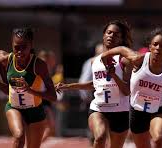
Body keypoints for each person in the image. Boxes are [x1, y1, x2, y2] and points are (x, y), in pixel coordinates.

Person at [55, 20, 133, 148]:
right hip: (99, 108)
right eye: (109, 32)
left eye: (116, 34)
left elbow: (126, 91)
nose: (111, 36)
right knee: (100, 137)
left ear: (121, 39)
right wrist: (68, 86)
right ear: (103, 35)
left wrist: (113, 74)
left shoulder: (124, 60)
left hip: (120, 110)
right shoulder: (94, 61)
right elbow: (95, 84)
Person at [0, 27, 57, 148]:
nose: (19, 52)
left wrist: (30, 90)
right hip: (14, 107)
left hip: (35, 111)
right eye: (16, 47)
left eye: (23, 47)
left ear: (31, 45)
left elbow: (53, 96)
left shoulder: (39, 65)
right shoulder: (7, 59)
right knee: (19, 136)